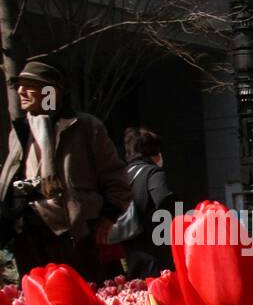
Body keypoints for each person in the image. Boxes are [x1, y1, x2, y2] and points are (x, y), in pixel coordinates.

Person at [0, 60, 132, 283]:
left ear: (51, 92)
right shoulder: (20, 132)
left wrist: (108, 216)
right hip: (28, 233)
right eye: (19, 85)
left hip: (76, 234)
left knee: (82, 297)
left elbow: (116, 178)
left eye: (30, 85)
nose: (21, 91)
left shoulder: (86, 127)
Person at [120, 126, 175, 280]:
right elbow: (164, 201)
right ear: (153, 153)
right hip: (154, 253)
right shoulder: (153, 173)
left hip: (128, 252)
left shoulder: (122, 176)